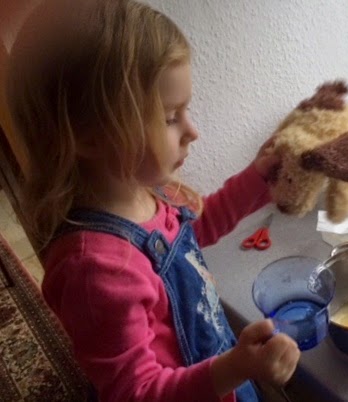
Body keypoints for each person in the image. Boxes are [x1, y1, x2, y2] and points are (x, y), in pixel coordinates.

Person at [5, 0, 300, 401]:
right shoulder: (94, 271)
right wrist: (235, 367)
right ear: (89, 135)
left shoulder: (147, 191)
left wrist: (257, 176)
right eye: (169, 117)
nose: (192, 131)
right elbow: (136, 392)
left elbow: (196, 230)